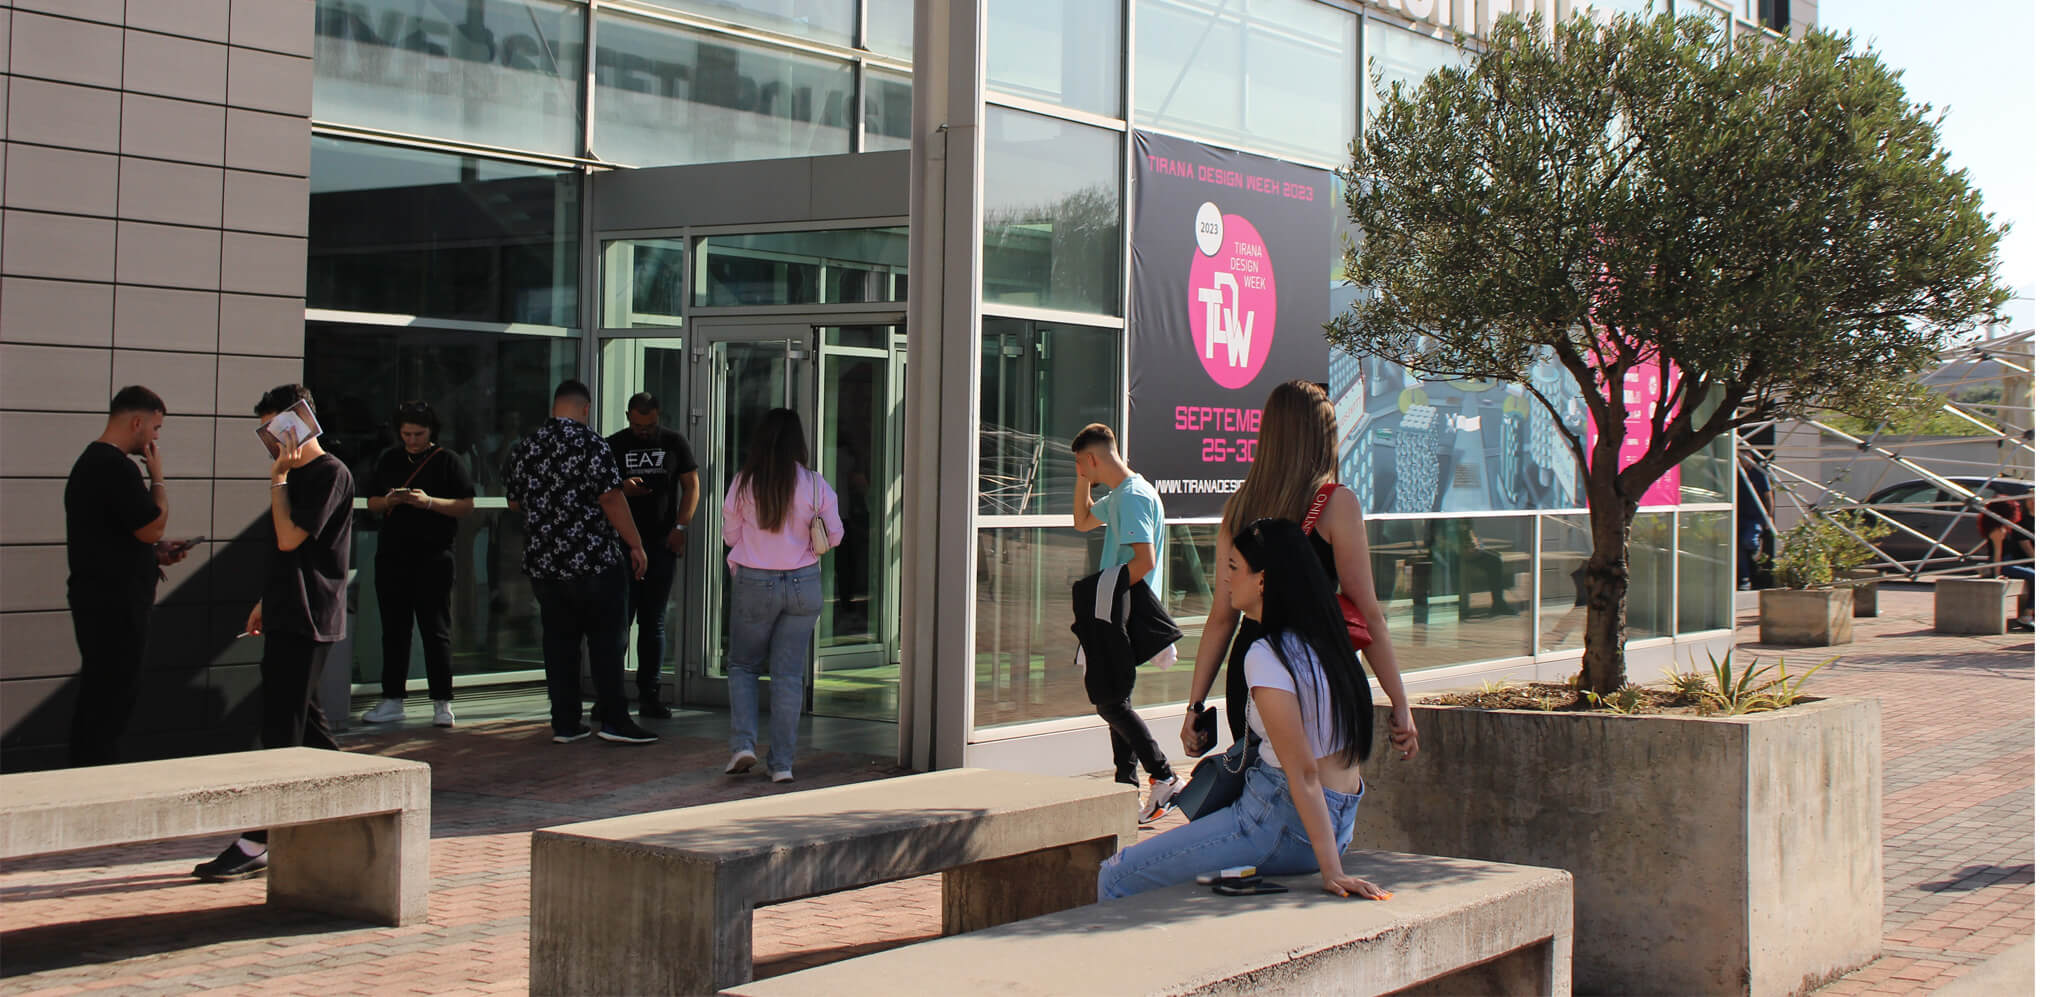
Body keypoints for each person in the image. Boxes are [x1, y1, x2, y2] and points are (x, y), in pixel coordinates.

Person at [1098, 519, 1416, 900]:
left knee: (1115, 874)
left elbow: (1303, 772)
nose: (1226, 580)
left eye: (1233, 568)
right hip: (1334, 819)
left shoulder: (1267, 656)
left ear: (1262, 580)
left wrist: (1332, 871)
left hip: (1280, 821)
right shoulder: (1331, 641)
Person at [1178, 380, 1417, 763]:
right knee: (1318, 793)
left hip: (1252, 669)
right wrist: (1399, 701)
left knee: (1262, 785)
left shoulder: (1239, 508)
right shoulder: (1335, 504)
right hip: (1314, 672)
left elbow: (1222, 618)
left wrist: (1195, 705)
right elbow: (1367, 613)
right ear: (1323, 435)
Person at [193, 385, 356, 882]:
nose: (272, 439)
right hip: (288, 610)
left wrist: (277, 480)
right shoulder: (298, 475)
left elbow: (290, 538)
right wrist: (267, 600)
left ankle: (261, 839)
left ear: (302, 422)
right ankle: (359, 805)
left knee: (283, 729)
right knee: (305, 727)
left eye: (278, 427)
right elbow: (288, 555)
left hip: (310, 617)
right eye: (267, 430)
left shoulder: (328, 473)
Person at [505, 380, 657, 746]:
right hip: (593, 560)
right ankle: (614, 718)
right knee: (607, 642)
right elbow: (610, 498)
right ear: (585, 409)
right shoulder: (592, 444)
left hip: (545, 564)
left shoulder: (526, 447)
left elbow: (514, 502)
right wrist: (635, 544)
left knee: (559, 643)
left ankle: (565, 722)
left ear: (555, 405)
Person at [64, 386, 190, 766]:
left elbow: (116, 535)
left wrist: (154, 554)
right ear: (137, 421)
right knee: (111, 698)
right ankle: (95, 777)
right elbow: (151, 525)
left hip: (100, 598)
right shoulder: (113, 466)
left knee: (103, 695)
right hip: (114, 604)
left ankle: (91, 772)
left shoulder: (92, 463)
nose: (154, 438)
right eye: (155, 428)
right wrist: (158, 479)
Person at [721, 408, 842, 784]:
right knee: (788, 675)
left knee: (743, 665)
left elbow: (730, 534)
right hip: (803, 582)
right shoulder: (814, 483)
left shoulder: (745, 483)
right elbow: (834, 535)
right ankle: (782, 764)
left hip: (756, 580)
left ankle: (744, 744)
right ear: (798, 441)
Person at [1070, 423, 1181, 822]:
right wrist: (1080, 479)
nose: (1083, 473)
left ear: (1095, 458)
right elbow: (1082, 521)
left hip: (1125, 610)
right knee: (1116, 698)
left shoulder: (1132, 498)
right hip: (1120, 609)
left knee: (1110, 700)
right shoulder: (1123, 495)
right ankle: (1126, 787)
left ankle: (1163, 775)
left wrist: (1106, 591)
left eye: (1083, 466)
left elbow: (1144, 561)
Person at [361, 401, 476, 728]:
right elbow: (371, 501)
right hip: (393, 555)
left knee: (435, 629)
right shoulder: (390, 459)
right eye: (406, 433)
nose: (411, 439)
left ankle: (442, 701)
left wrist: (427, 502)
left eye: (418, 433)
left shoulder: (447, 461)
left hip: (434, 556)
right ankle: (392, 699)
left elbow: (466, 505)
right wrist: (390, 500)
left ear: (431, 432)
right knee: (394, 630)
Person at [605, 393, 700, 718]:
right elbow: (600, 491)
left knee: (653, 621)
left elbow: (692, 485)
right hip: (620, 545)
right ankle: (610, 696)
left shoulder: (674, 442)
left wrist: (681, 527)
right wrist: (622, 488)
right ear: (628, 415)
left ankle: (650, 693)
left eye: (649, 425)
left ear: (658, 415)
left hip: (660, 544)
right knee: (618, 622)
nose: (643, 431)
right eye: (637, 424)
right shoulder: (614, 444)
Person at [1980, 496, 2035, 632]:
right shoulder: (1998, 531)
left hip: (2009, 562)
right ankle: (2027, 615)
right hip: (2004, 565)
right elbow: (1997, 555)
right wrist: (1997, 575)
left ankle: (2030, 613)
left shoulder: (2004, 527)